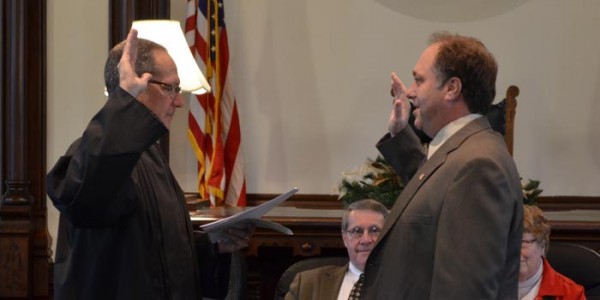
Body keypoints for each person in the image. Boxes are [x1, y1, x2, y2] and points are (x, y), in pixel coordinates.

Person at [47, 29, 252, 300]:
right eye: (170, 88)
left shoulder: (152, 156)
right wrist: (125, 102)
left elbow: (157, 253)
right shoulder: (97, 155)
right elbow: (85, 204)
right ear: (138, 87)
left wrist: (213, 246)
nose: (178, 101)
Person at [362, 31, 524, 299]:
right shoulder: (467, 152)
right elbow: (434, 191)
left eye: (419, 80)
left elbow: (464, 291)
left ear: (451, 88)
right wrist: (401, 135)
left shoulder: (480, 165)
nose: (411, 92)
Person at [285, 199, 388, 300]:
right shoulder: (307, 283)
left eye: (374, 231)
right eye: (357, 231)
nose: (365, 240)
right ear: (345, 238)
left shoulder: (402, 284)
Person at [519, 205, 585, 299]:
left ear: (542, 245)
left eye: (523, 242)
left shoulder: (571, 295)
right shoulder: (491, 287)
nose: (513, 251)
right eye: (507, 243)